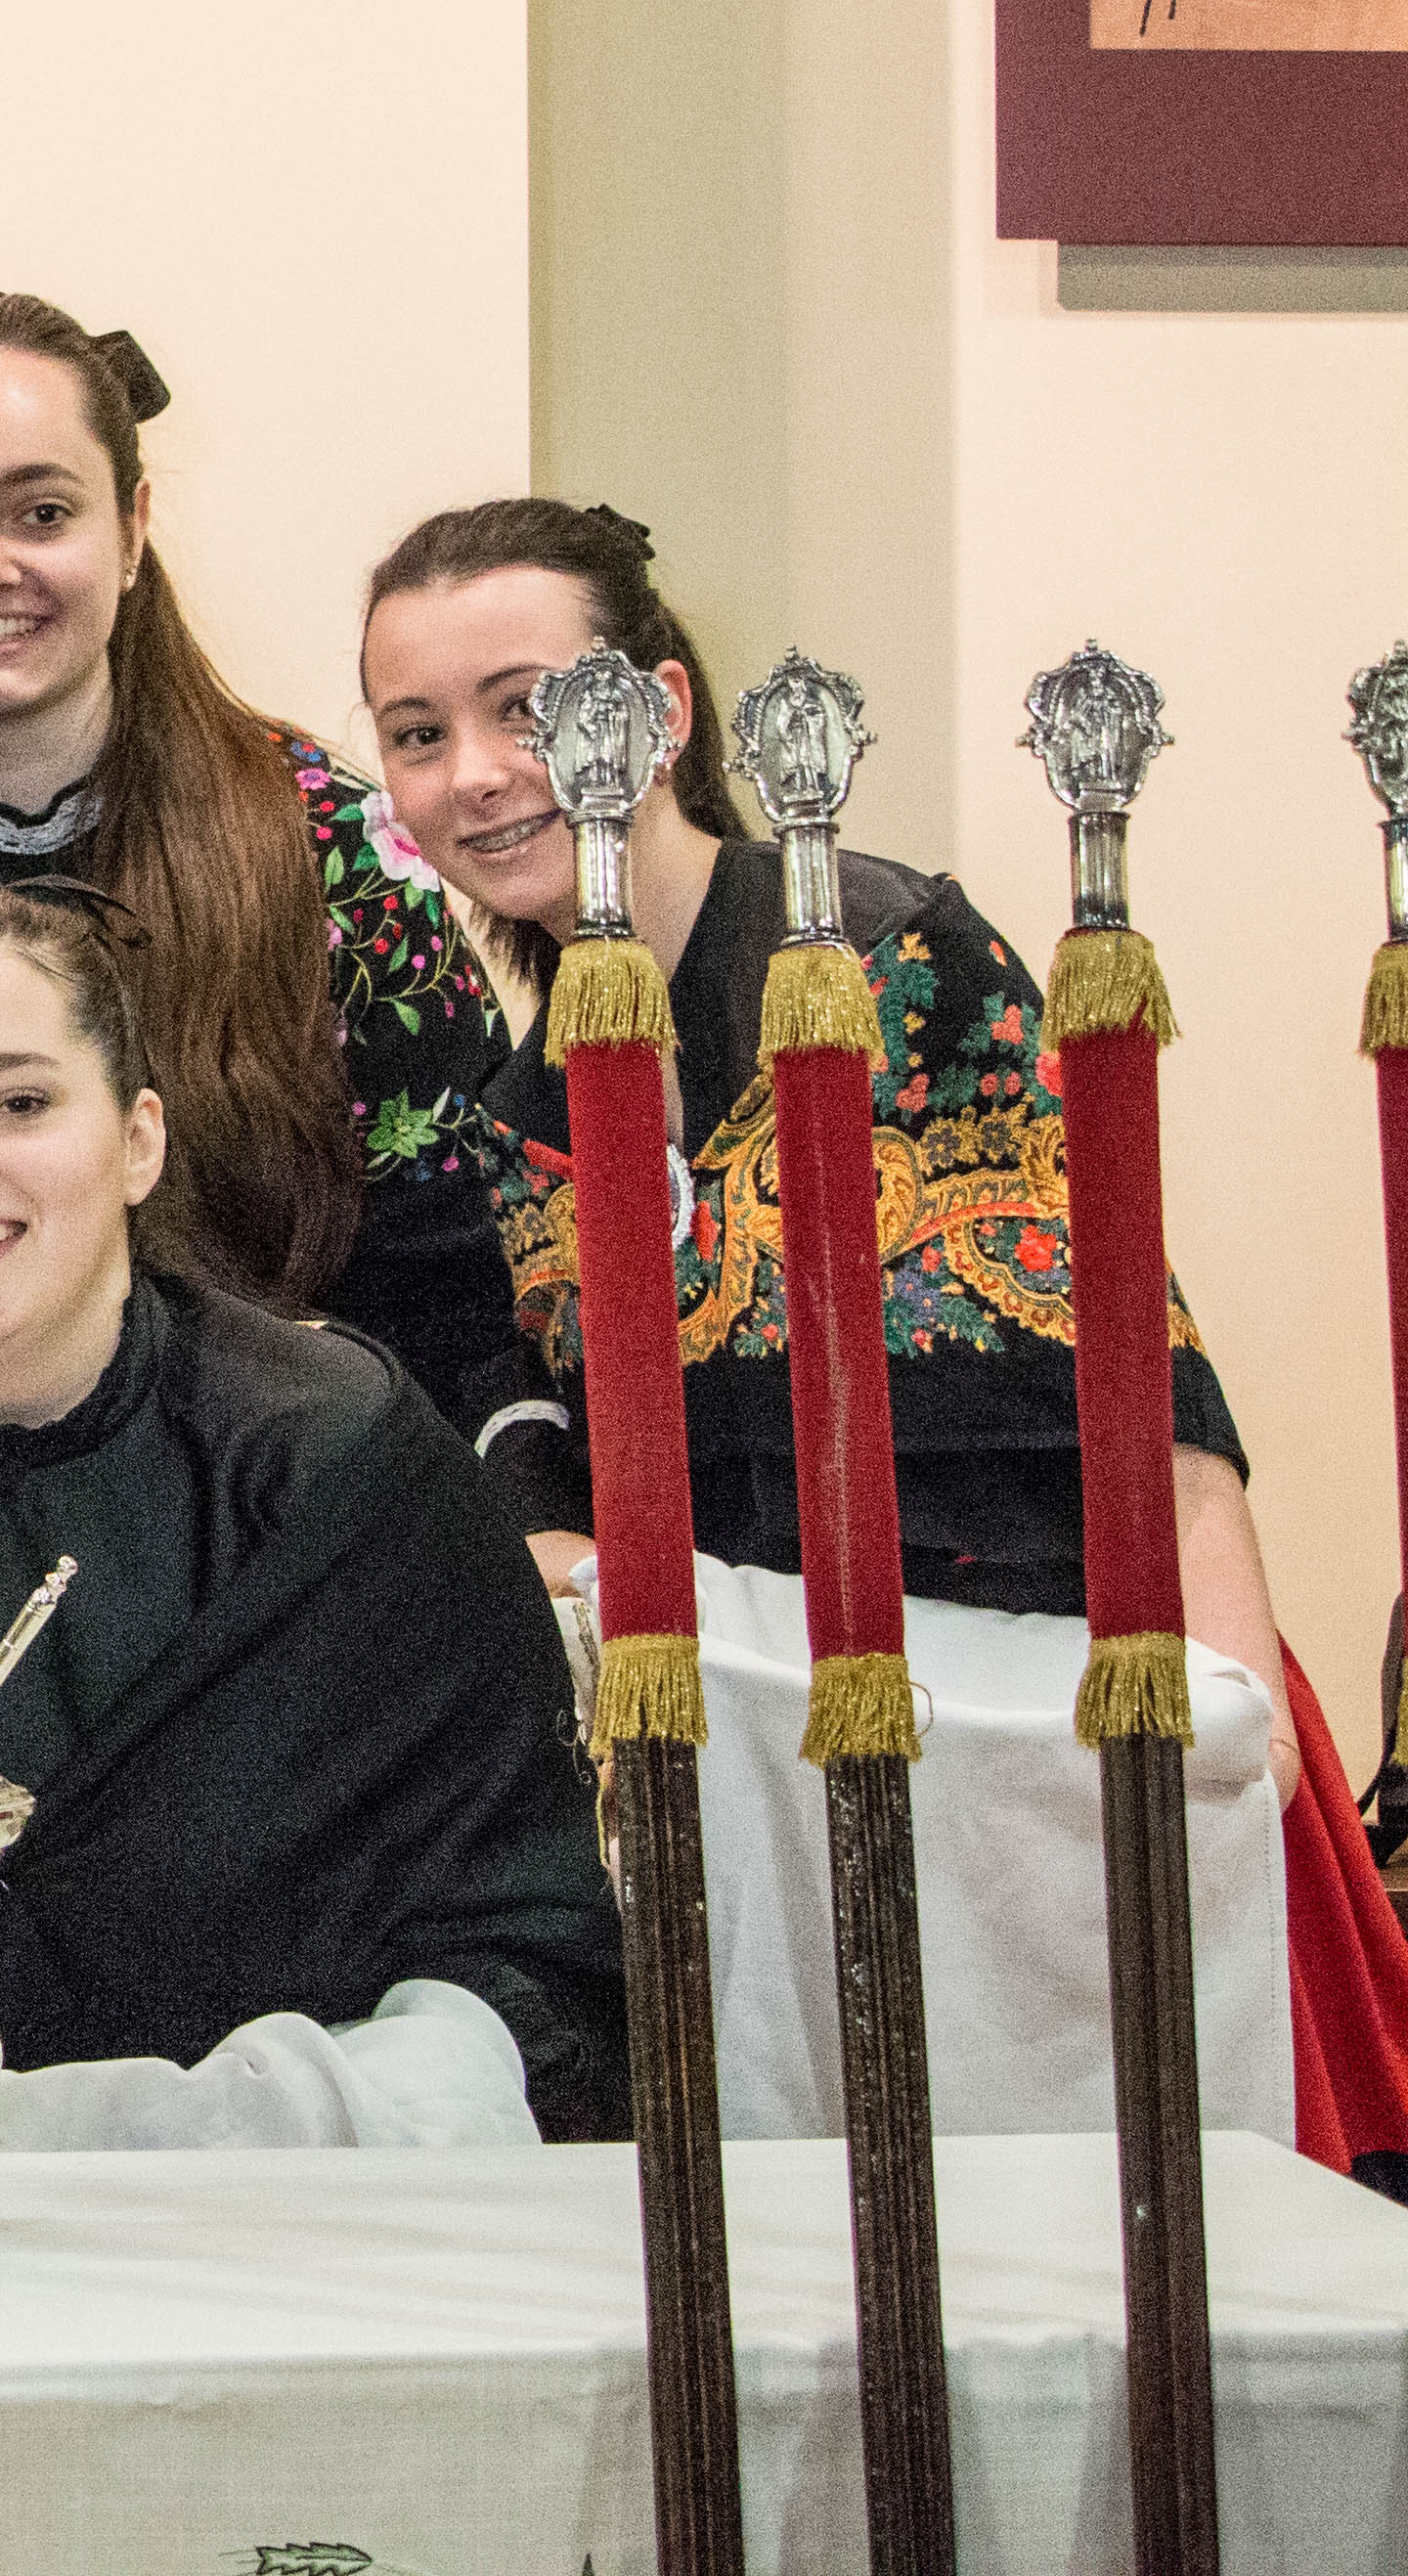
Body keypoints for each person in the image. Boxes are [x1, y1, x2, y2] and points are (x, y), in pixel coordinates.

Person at [363, 498, 1408, 2183]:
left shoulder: (880, 953)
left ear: (667, 709)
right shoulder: (522, 1092)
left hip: (1061, 1722)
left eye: (527, 705)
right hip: (799, 1772)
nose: (477, 770)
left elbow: (1119, 1313)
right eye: (419, 734)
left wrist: (1220, 1694)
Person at [0, 877, 627, 2135]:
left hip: (323, 2214)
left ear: (140, 1138)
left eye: (20, 1103)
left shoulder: (339, 1455)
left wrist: (252, 2128)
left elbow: (530, 1941)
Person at [0, 291, 517, 1419]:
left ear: (131, 529)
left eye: (40, 513)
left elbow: (467, 1283)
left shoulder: (324, 841)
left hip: (292, 1516)